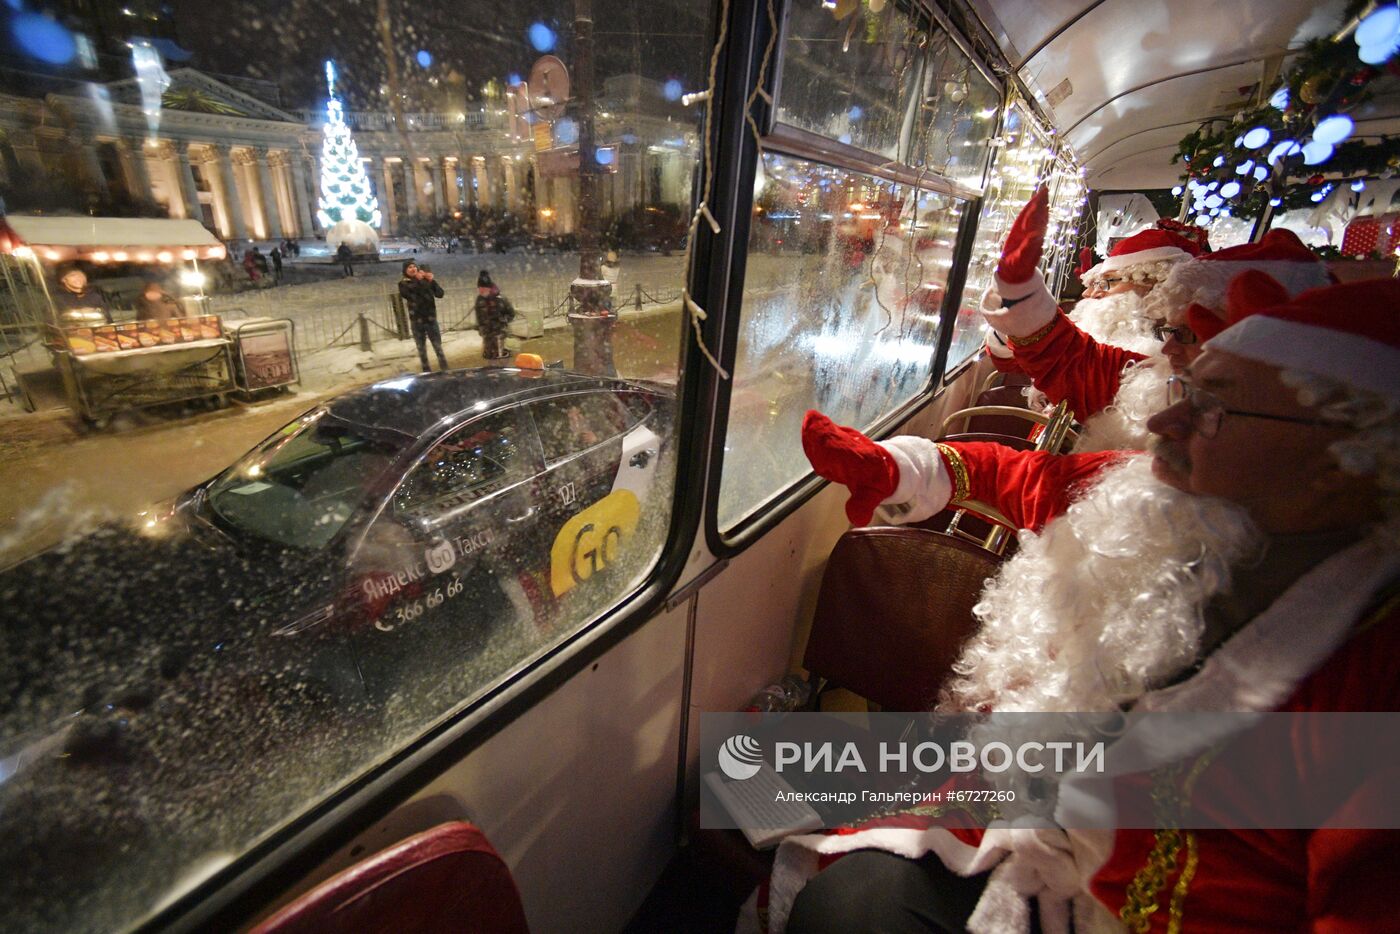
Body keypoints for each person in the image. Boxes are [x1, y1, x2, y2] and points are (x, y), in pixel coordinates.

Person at [760, 276, 1400, 934]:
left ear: (1343, 461)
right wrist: (902, 471)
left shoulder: (1373, 681)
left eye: (1215, 409)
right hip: (1037, 832)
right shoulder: (1158, 500)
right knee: (847, 902)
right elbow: (1019, 475)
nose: (1162, 422)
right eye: (1189, 392)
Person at [981, 190, 1330, 451]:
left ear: (1150, 282)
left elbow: (1077, 363)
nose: (1092, 295)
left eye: (1108, 283)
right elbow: (1070, 360)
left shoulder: (1146, 361)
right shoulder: (1161, 375)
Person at [398, 260, 448, 372]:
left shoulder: (425, 280)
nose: (412, 269)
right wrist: (420, 280)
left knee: (438, 347)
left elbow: (440, 294)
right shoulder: (404, 283)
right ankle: (426, 371)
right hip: (417, 321)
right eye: (409, 267)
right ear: (405, 271)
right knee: (422, 350)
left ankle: (445, 369)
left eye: (414, 266)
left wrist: (432, 281)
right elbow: (411, 295)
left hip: (431, 319)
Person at [473, 269, 516, 366]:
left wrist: (503, 319)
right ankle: (492, 374)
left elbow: (511, 314)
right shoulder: (479, 300)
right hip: (488, 336)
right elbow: (479, 316)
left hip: (501, 335)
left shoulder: (500, 299)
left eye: (483, 288)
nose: (481, 291)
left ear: (489, 288)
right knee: (490, 358)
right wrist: (480, 327)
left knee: (503, 358)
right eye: (479, 288)